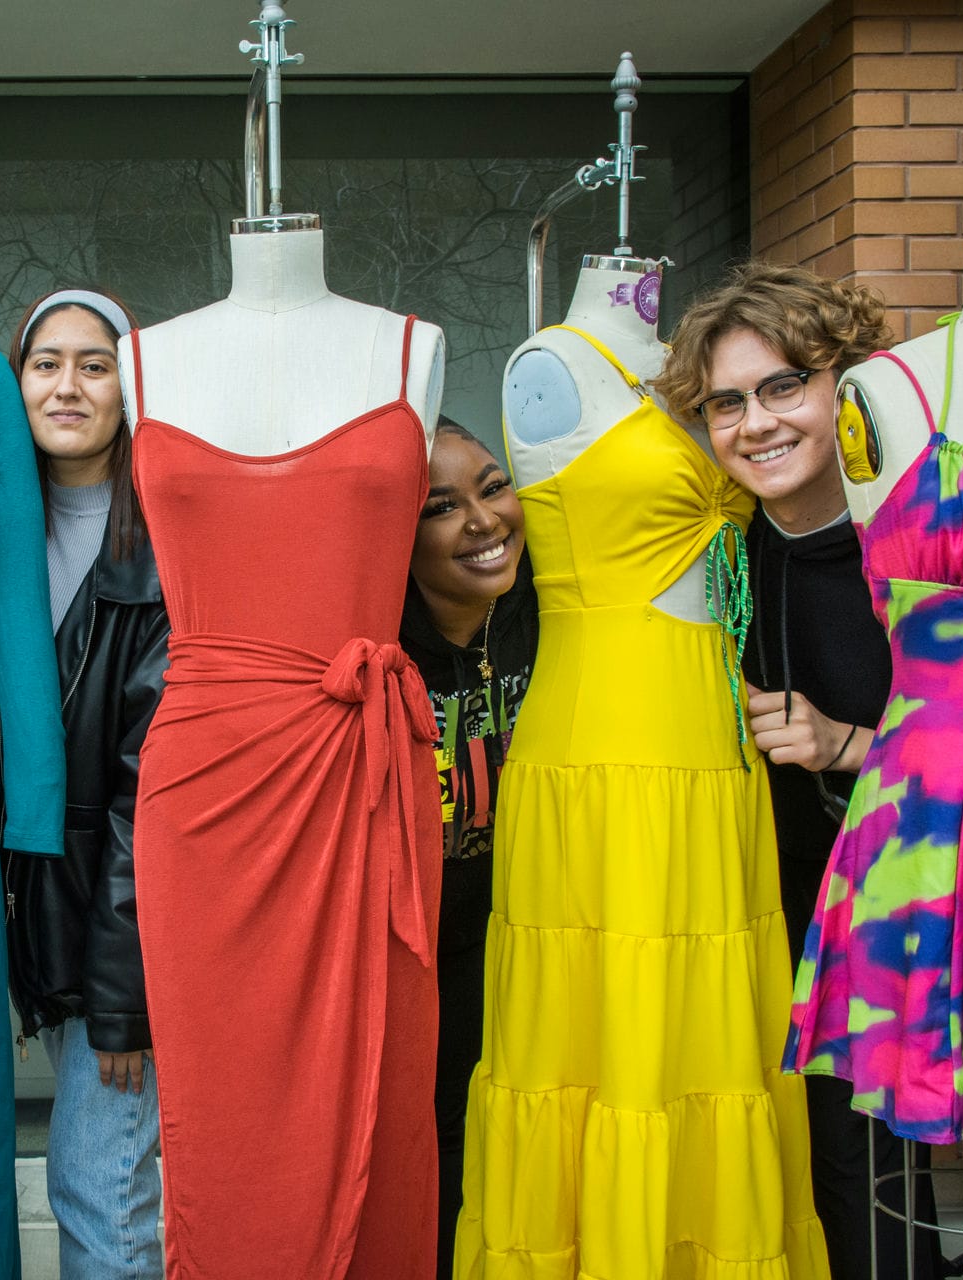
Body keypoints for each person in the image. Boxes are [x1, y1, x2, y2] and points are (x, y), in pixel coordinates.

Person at [655, 259, 941, 1279]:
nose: (756, 423)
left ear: (844, 387)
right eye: (727, 401)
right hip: (748, 921)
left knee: (865, 1185)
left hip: (887, 931)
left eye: (785, 386)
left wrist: (848, 744)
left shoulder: (920, 544)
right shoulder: (719, 553)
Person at [0, 286, 168, 1279]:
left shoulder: (169, 549)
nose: (69, 385)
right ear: (14, 378)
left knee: (95, 1177)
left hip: (113, 915)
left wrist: (123, 994)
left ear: (133, 385)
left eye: (96, 362)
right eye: (47, 362)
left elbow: (149, 793)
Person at [397, 421, 535, 1279]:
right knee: (441, 1136)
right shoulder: (381, 642)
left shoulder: (555, 609)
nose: (483, 520)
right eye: (441, 507)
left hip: (531, 926)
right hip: (421, 945)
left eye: (492, 486)